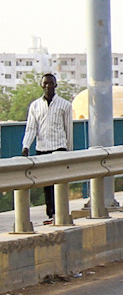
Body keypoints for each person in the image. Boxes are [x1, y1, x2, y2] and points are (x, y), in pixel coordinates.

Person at [21, 73, 74, 223]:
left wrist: (69, 153)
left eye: (51, 84)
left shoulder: (65, 105)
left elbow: (68, 130)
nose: (48, 87)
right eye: (45, 84)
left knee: (58, 183)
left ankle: (59, 213)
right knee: (46, 184)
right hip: (42, 148)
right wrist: (26, 146)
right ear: (41, 85)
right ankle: (51, 214)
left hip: (59, 148)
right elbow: (31, 128)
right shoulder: (35, 106)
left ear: (55, 85)